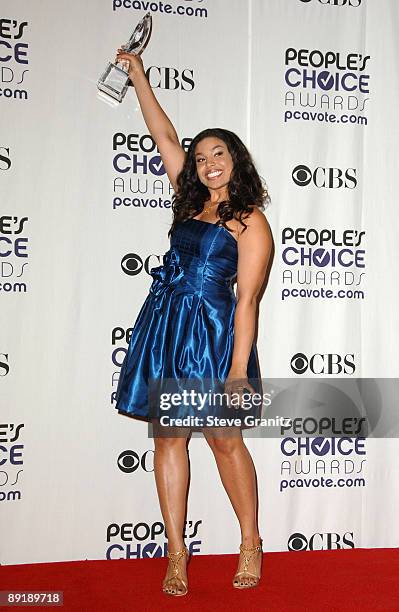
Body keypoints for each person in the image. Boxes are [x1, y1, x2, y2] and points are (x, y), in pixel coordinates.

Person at [114, 47, 273, 597]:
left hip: (211, 336)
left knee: (225, 441)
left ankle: (250, 542)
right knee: (169, 441)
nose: (208, 162)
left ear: (236, 159)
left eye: (219, 153)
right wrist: (137, 76)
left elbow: (247, 302)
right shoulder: (188, 203)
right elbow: (164, 136)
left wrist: (235, 372)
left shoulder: (250, 221)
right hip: (166, 327)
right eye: (201, 155)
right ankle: (176, 555)